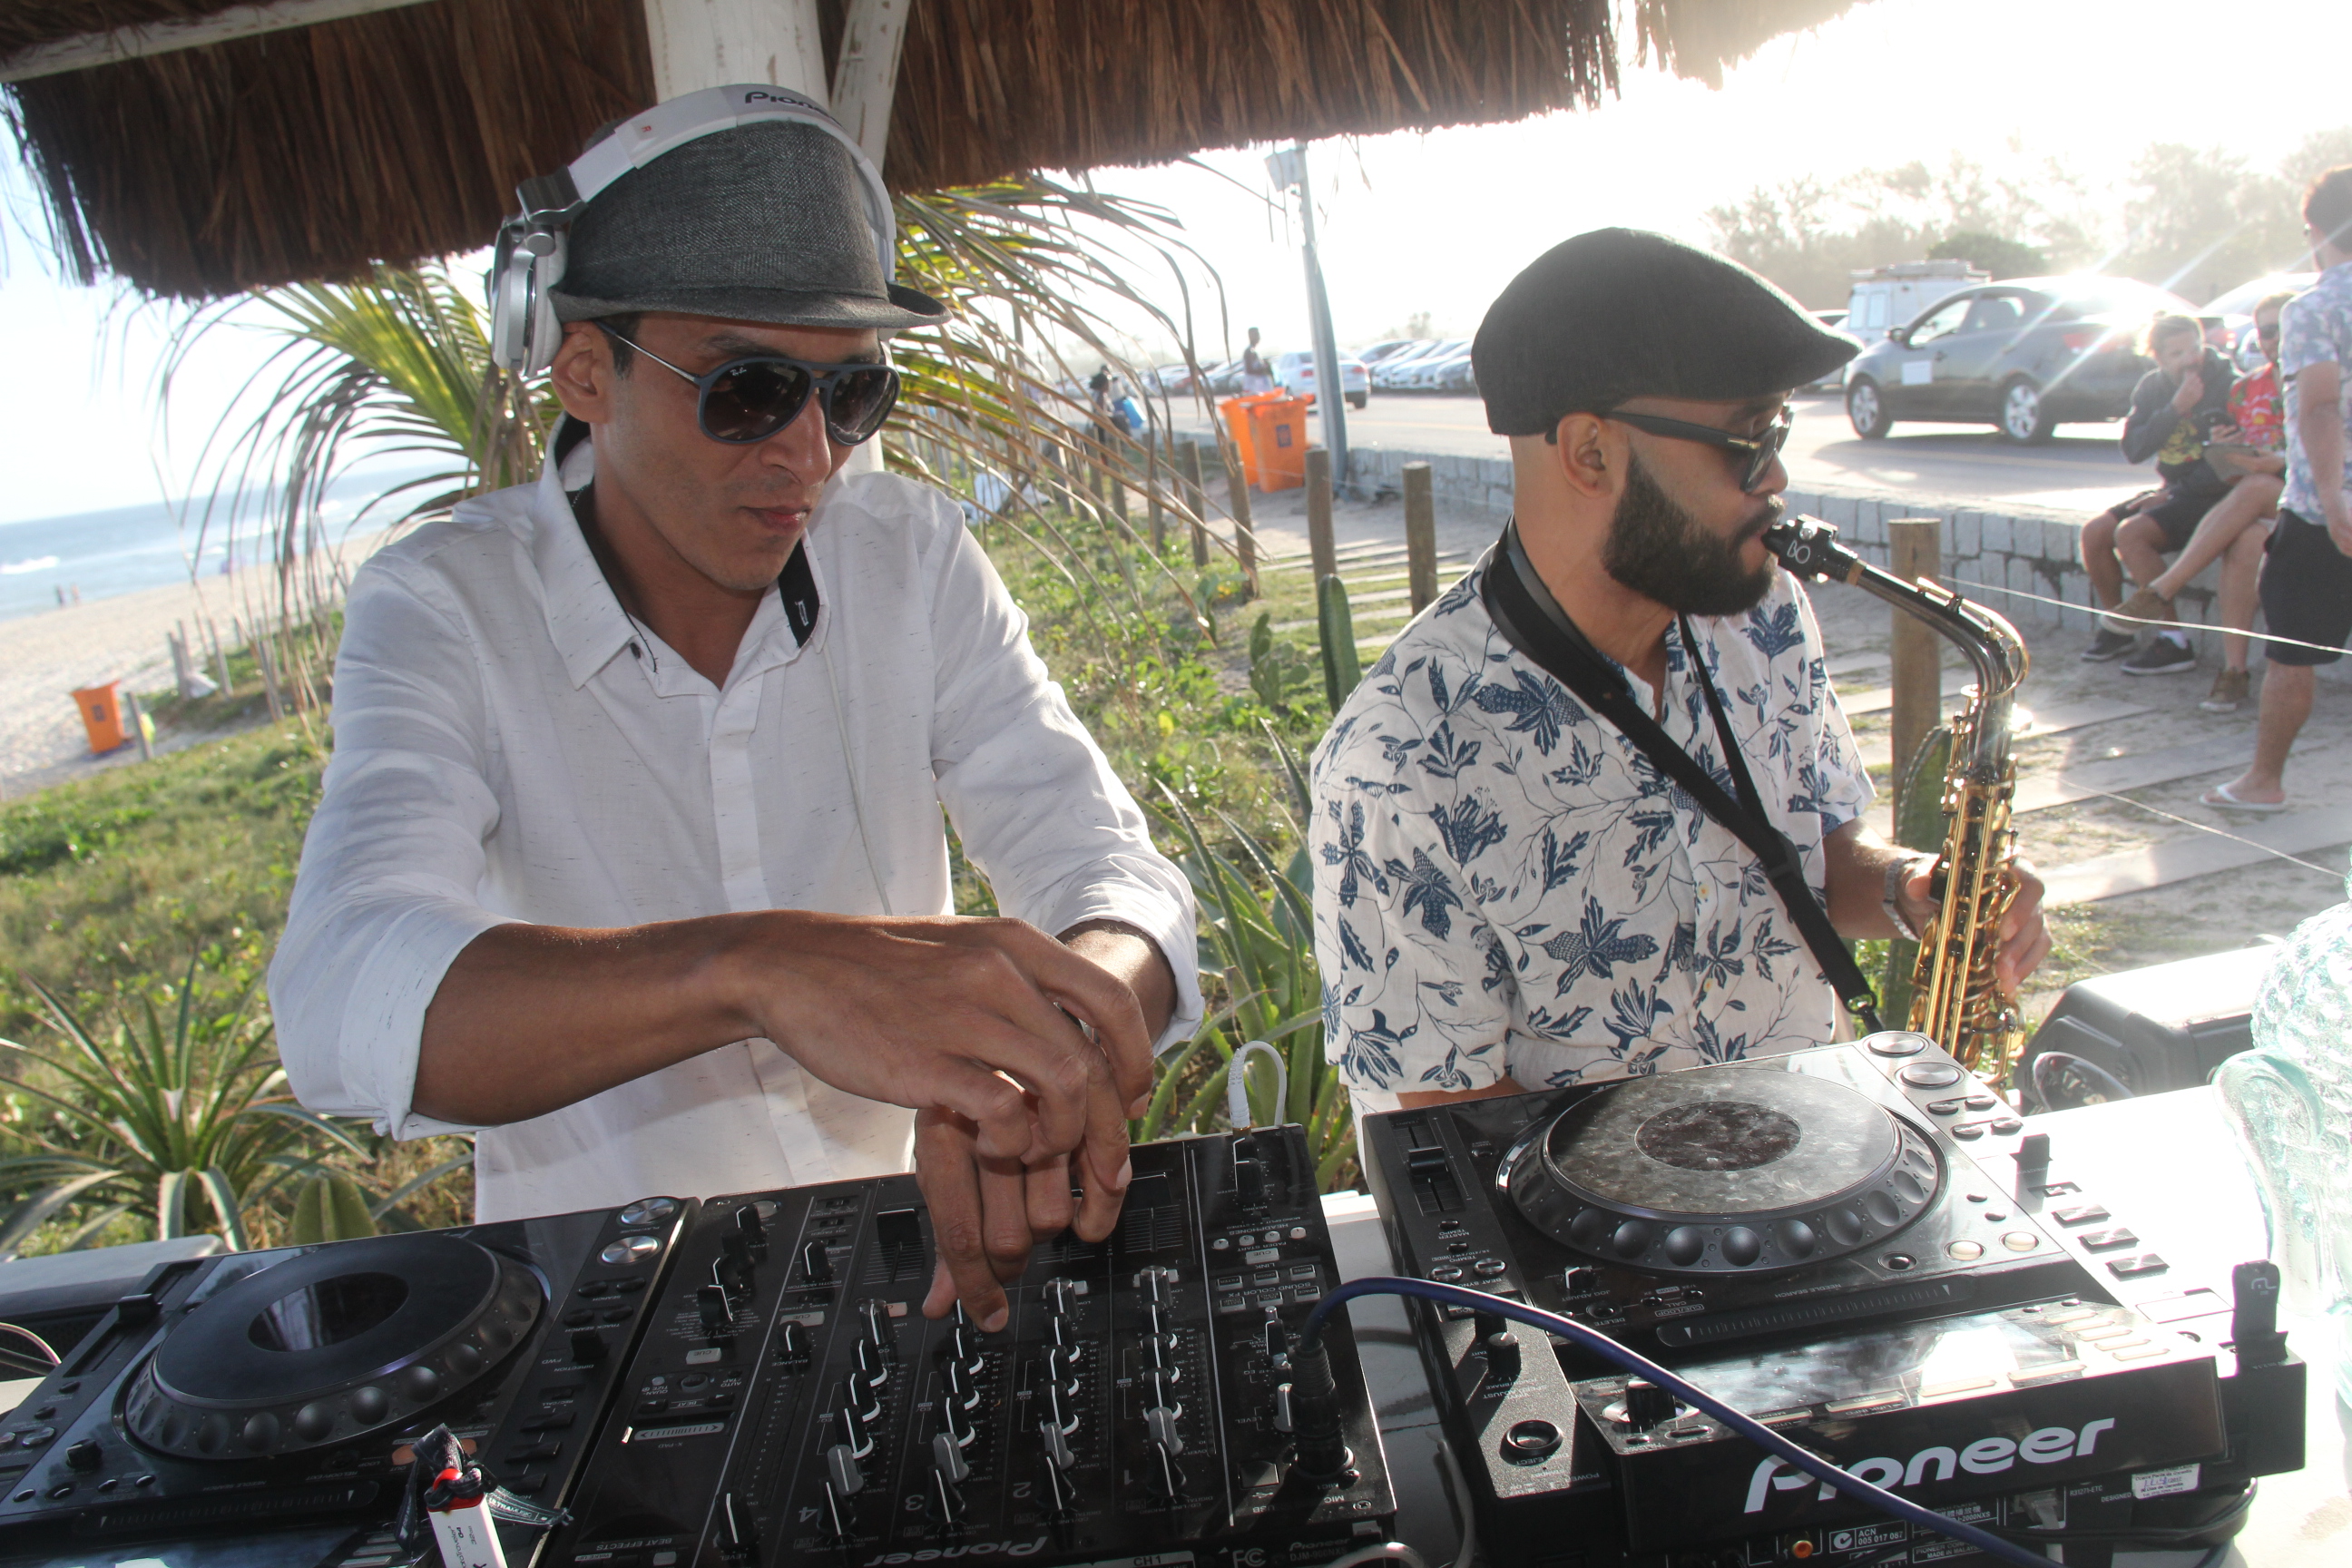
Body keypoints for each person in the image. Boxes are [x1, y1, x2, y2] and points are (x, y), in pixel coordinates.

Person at [269, 89, 1201, 1331]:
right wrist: (759, 968)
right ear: (586, 372)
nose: (808, 455)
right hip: (617, 1315)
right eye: (747, 389)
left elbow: (1107, 868)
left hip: (924, 1273)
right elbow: (342, 989)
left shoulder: (909, 556)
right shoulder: (446, 605)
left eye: (851, 395)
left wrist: (1055, 1053)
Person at [1309, 230, 2048, 1106]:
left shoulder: (1763, 613)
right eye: (1749, 438)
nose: (1776, 474)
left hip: (1825, 1149)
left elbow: (1818, 852)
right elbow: (1448, 1121)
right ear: (1590, 452)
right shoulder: (1397, 762)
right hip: (1603, 1206)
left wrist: (1915, 889)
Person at [2206, 166, 2352, 811]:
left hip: (2325, 513)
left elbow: (2319, 407)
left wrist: (2336, 496)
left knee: (2293, 655)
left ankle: (2263, 782)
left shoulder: (2314, 309)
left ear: (2315, 230)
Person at [2116, 291, 2297, 712]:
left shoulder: (2330, 381)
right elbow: (2227, 464)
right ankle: (2235, 672)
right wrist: (2226, 450)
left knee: (2256, 487)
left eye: (2282, 329)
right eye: (2265, 331)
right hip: (2266, 499)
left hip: (2317, 494)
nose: (2274, 339)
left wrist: (2280, 463)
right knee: (2245, 541)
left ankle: (2164, 588)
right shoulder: (2247, 389)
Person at [2079, 315, 2239, 675]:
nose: (2191, 360)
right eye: (2177, 354)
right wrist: (2175, 409)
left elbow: (2228, 465)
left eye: (2195, 348)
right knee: (2095, 533)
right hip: (2173, 491)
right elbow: (2134, 449)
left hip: (2213, 496)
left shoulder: (2228, 384)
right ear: (2158, 357)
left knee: (2132, 534)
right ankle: (2119, 627)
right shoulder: (2153, 387)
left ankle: (2173, 641)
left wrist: (2173, 494)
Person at [1240, 327, 1275, 395]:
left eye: (1258, 334)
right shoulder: (1249, 351)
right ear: (1250, 336)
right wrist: (1263, 370)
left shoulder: (1255, 350)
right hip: (1252, 388)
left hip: (1259, 387)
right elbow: (1249, 370)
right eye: (1256, 334)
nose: (1258, 337)